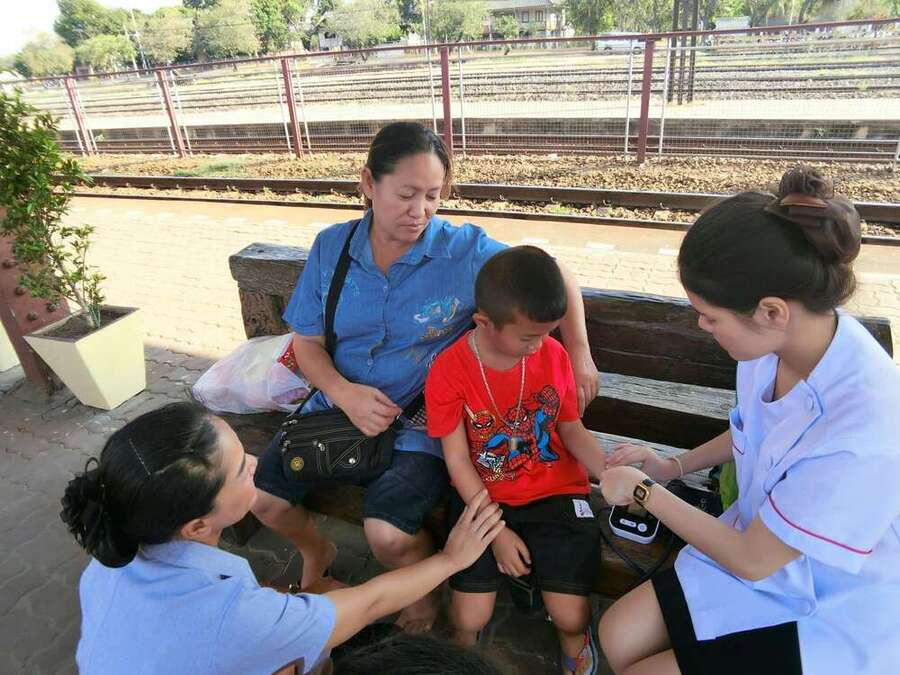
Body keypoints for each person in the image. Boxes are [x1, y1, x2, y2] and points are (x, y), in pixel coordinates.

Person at [250, 122, 600, 632]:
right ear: (368, 183)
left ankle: (420, 598)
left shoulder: (463, 252)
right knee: (263, 499)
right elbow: (307, 344)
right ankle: (316, 549)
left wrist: (580, 351)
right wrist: (344, 393)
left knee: (387, 535)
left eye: (433, 195)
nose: (420, 210)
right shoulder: (333, 248)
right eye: (406, 194)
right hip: (338, 410)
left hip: (420, 424)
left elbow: (552, 271)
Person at [597, 167, 900, 675]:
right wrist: (671, 466)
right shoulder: (775, 348)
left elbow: (754, 559)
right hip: (761, 548)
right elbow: (753, 430)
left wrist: (645, 491)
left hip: (835, 601)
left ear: (772, 312)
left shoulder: (865, 423)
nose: (702, 325)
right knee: (618, 634)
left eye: (710, 316)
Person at [61, 401, 505, 674]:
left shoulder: (112, 553)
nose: (255, 462)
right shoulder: (240, 619)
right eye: (240, 470)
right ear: (196, 526)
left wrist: (300, 599)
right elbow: (369, 603)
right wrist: (451, 559)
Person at [425, 246, 607, 674]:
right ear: (483, 322)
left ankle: (573, 643)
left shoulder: (552, 355)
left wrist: (610, 472)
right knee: (468, 619)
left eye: (546, 334)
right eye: (527, 338)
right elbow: (457, 461)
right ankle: (460, 656)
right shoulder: (449, 370)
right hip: (483, 497)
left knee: (571, 617)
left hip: (555, 491)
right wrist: (497, 533)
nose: (539, 346)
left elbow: (571, 429)